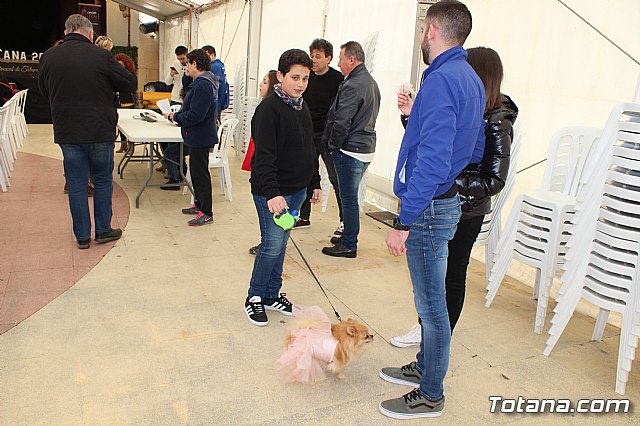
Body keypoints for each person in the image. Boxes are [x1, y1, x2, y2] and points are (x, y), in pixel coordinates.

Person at [379, 1, 486, 419]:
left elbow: (437, 161)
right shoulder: (468, 78)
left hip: (427, 210)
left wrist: (404, 221)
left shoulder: (443, 80)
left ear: (431, 29)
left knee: (432, 308)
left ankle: (430, 393)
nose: (421, 35)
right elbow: (468, 149)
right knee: (433, 301)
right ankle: (424, 367)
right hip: (443, 201)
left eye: (423, 29)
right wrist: (413, 117)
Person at [391, 46, 519, 348]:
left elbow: (493, 178)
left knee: (451, 277)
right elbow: (436, 145)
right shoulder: (469, 106)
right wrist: (412, 117)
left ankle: (437, 341)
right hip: (443, 201)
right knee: (431, 281)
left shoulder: (497, 118)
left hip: (464, 210)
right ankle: (429, 332)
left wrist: (446, 180)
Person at [38, 14, 135, 249]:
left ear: (67, 30)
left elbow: (42, 90)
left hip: (68, 131)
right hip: (100, 130)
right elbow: (129, 83)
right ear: (89, 33)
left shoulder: (49, 56)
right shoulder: (101, 56)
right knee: (102, 180)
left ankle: (82, 236)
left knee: (77, 183)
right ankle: (103, 230)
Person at [244, 49, 321, 326]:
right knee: (272, 245)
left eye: (305, 78)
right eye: (294, 77)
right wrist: (273, 193)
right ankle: (254, 296)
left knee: (281, 244)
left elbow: (310, 147)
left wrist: (314, 182)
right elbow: (262, 157)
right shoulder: (268, 110)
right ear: (280, 76)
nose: (300, 84)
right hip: (272, 192)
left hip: (297, 190)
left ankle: (271, 294)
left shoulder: (301, 105)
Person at [321, 41, 380, 258]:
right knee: (350, 197)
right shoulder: (370, 82)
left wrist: (332, 146)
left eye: (340, 58)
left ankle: (349, 244)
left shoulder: (353, 85)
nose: (338, 63)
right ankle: (348, 237)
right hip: (364, 147)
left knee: (348, 199)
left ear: (352, 60)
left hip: (350, 149)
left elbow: (342, 120)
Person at [163, 49, 218, 226]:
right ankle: (199, 205)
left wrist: (175, 117)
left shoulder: (203, 85)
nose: (186, 67)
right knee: (196, 172)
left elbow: (196, 115)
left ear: (195, 64)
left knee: (200, 174)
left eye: (188, 64)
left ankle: (206, 212)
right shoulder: (201, 82)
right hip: (197, 135)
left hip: (200, 136)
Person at [295, 38, 345, 233]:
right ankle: (303, 215)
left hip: (328, 136)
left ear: (329, 58)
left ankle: (344, 221)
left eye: (318, 56)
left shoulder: (337, 80)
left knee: (336, 178)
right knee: (306, 173)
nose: (314, 60)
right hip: (307, 133)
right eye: (312, 56)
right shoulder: (307, 77)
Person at [245, 70, 278, 256]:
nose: (260, 85)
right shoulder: (265, 107)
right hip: (265, 174)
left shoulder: (267, 110)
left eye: (264, 82)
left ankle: (266, 245)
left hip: (266, 177)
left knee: (269, 220)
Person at [114, 53, 141, 153]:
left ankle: (131, 145)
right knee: (120, 125)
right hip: (119, 102)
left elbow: (134, 89)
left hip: (128, 102)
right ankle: (123, 144)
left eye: (121, 65)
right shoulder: (116, 74)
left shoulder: (130, 75)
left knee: (129, 126)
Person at [201, 45, 229, 120]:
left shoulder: (215, 67)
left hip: (216, 102)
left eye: (206, 56)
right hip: (219, 101)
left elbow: (215, 86)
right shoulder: (220, 65)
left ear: (212, 55)